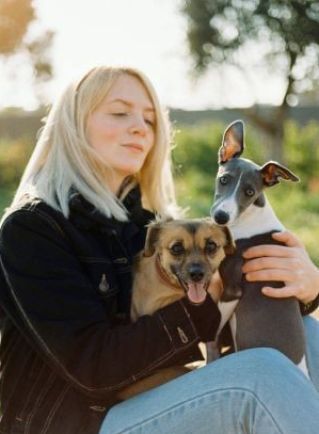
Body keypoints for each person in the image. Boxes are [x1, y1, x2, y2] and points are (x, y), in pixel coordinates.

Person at [0, 66, 318, 434]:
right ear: (73, 125)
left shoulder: (150, 225)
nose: (140, 127)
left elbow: (241, 327)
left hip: (150, 401)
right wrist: (204, 303)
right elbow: (92, 369)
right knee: (259, 377)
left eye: (150, 119)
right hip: (77, 423)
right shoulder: (34, 228)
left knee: (308, 332)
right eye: (120, 112)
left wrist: (305, 290)